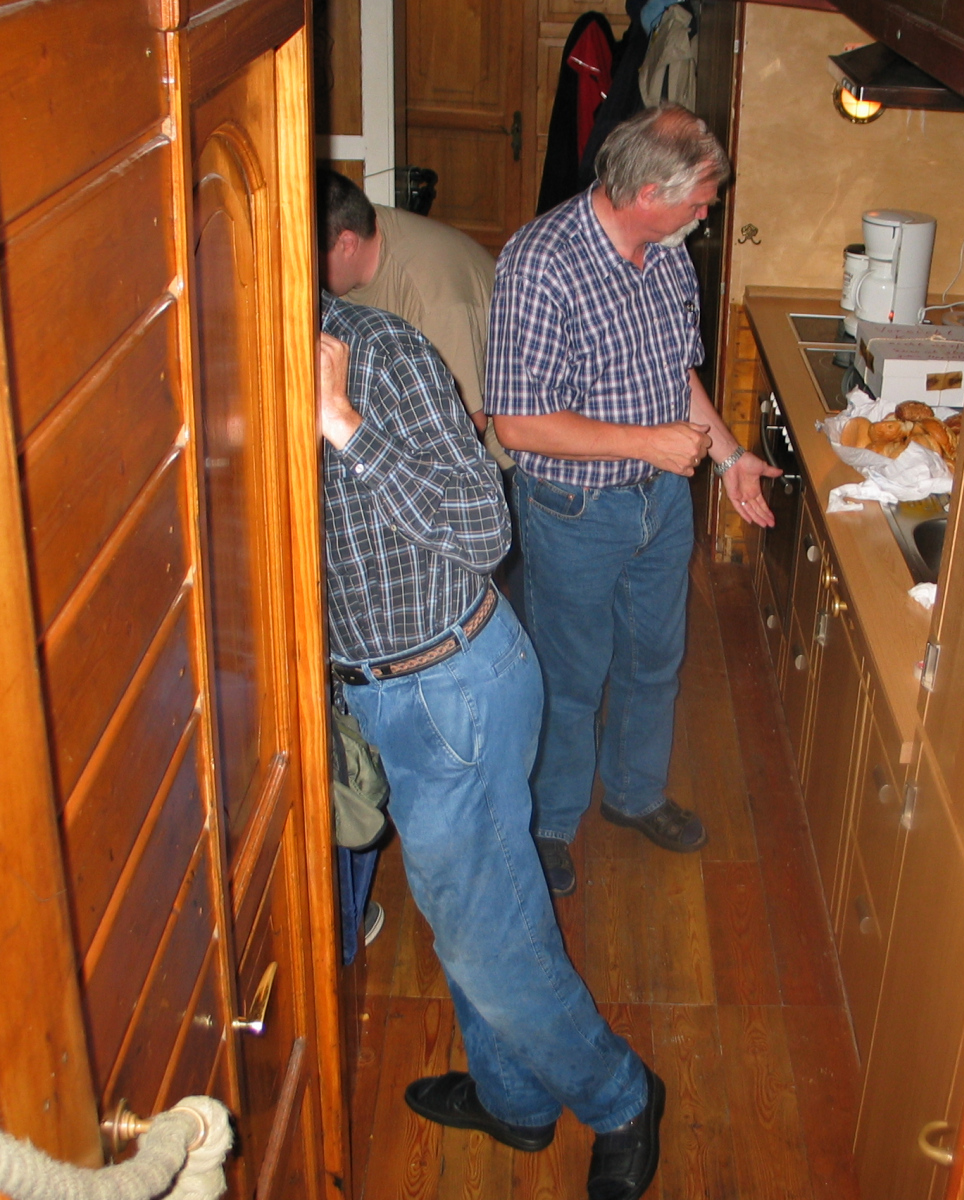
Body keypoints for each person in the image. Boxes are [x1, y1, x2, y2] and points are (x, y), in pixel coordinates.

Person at [316, 293, 665, 1200]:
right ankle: (514, 1101)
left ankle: (623, 1098)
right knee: (467, 917)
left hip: (451, 690)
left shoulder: (377, 356)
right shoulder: (251, 366)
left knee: (493, 939)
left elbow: (483, 525)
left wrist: (343, 423)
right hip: (390, 694)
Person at [485, 104, 780, 898]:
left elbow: (677, 377)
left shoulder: (668, 255)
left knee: (655, 661)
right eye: (700, 202)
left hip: (663, 505)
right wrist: (647, 443)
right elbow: (517, 423)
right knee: (570, 676)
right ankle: (551, 822)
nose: (706, 215)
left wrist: (729, 458)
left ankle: (635, 794)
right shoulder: (541, 264)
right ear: (650, 192)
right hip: (575, 512)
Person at [318, 165, 511, 469]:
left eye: (314, 258)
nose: (307, 272)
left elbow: (465, 426)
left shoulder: (432, 299)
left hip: (488, 462)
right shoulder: (355, 222)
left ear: (347, 244)